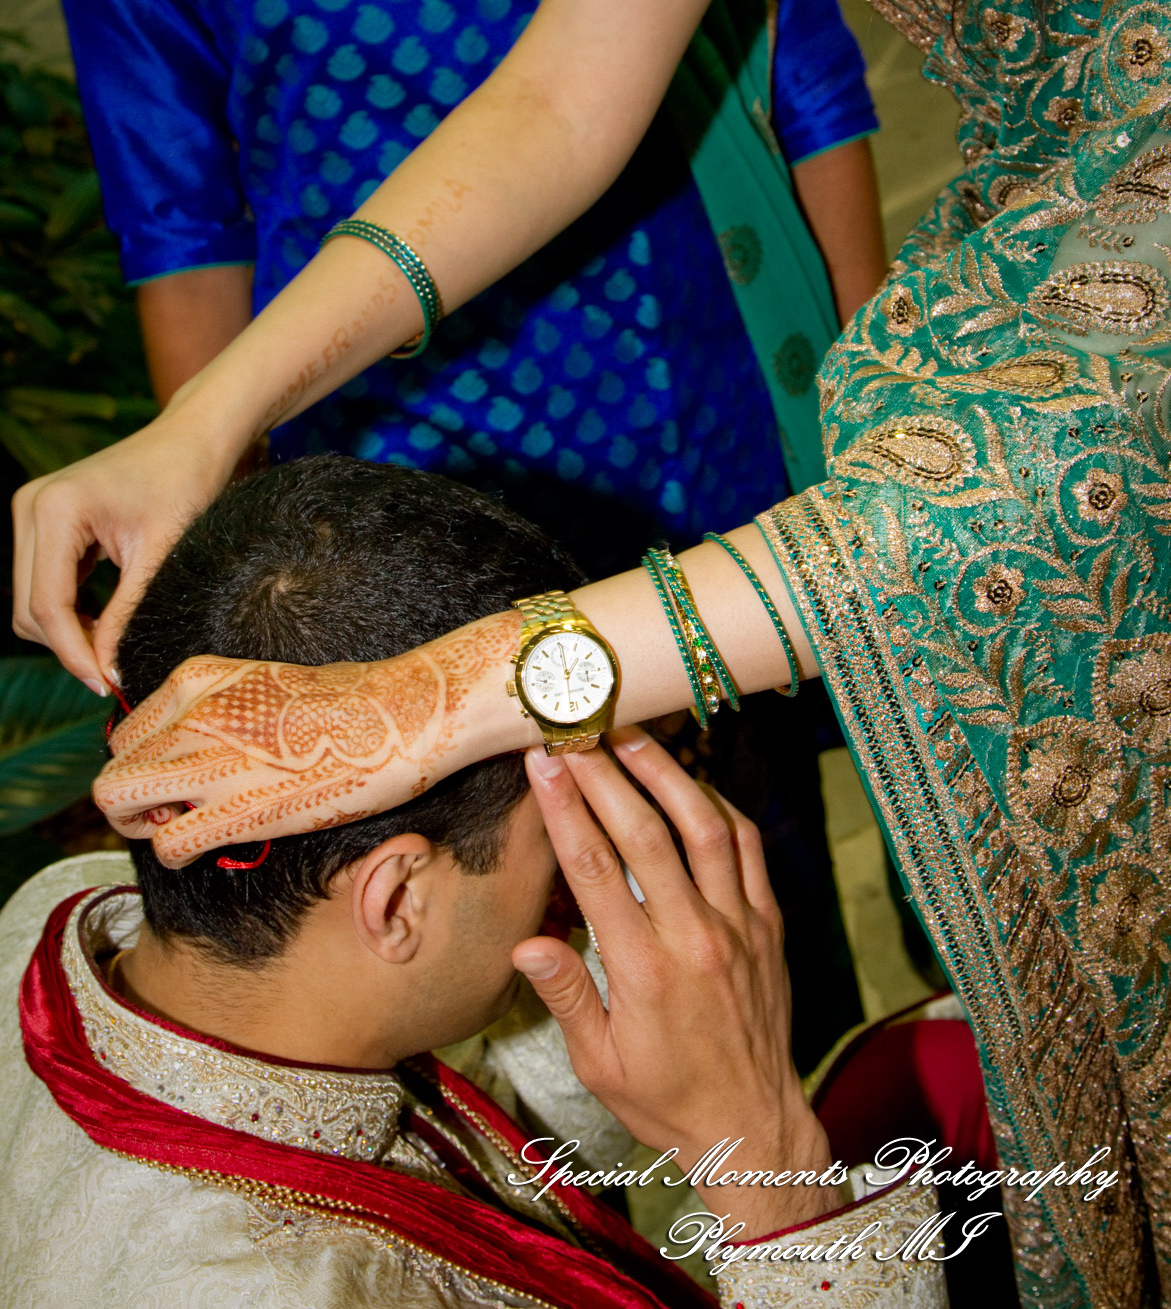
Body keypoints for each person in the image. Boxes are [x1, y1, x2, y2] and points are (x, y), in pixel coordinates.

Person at [14, 0, 1171, 1302]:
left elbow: (1012, 492)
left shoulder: (45, 939)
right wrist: (215, 411)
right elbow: (565, 92)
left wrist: (449, 696)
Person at [35, 0, 886, 1066]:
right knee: (489, 939)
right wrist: (210, 427)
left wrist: (879, 382)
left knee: (747, 881)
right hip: (407, 457)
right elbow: (560, 94)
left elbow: (890, 551)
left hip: (713, 396)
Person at [1, 454, 975, 1307]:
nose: (579, 864)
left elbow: (497, 1174)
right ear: (394, 899)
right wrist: (766, 1159)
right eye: (561, 852)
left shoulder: (66, 914)